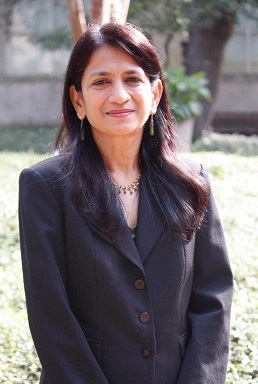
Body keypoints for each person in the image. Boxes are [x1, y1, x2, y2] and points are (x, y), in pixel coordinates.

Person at [19, 22, 233, 384]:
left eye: (132, 79)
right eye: (101, 81)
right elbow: (50, 315)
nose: (119, 95)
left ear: (155, 92)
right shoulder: (45, 186)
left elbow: (213, 297)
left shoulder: (190, 180)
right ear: (78, 100)